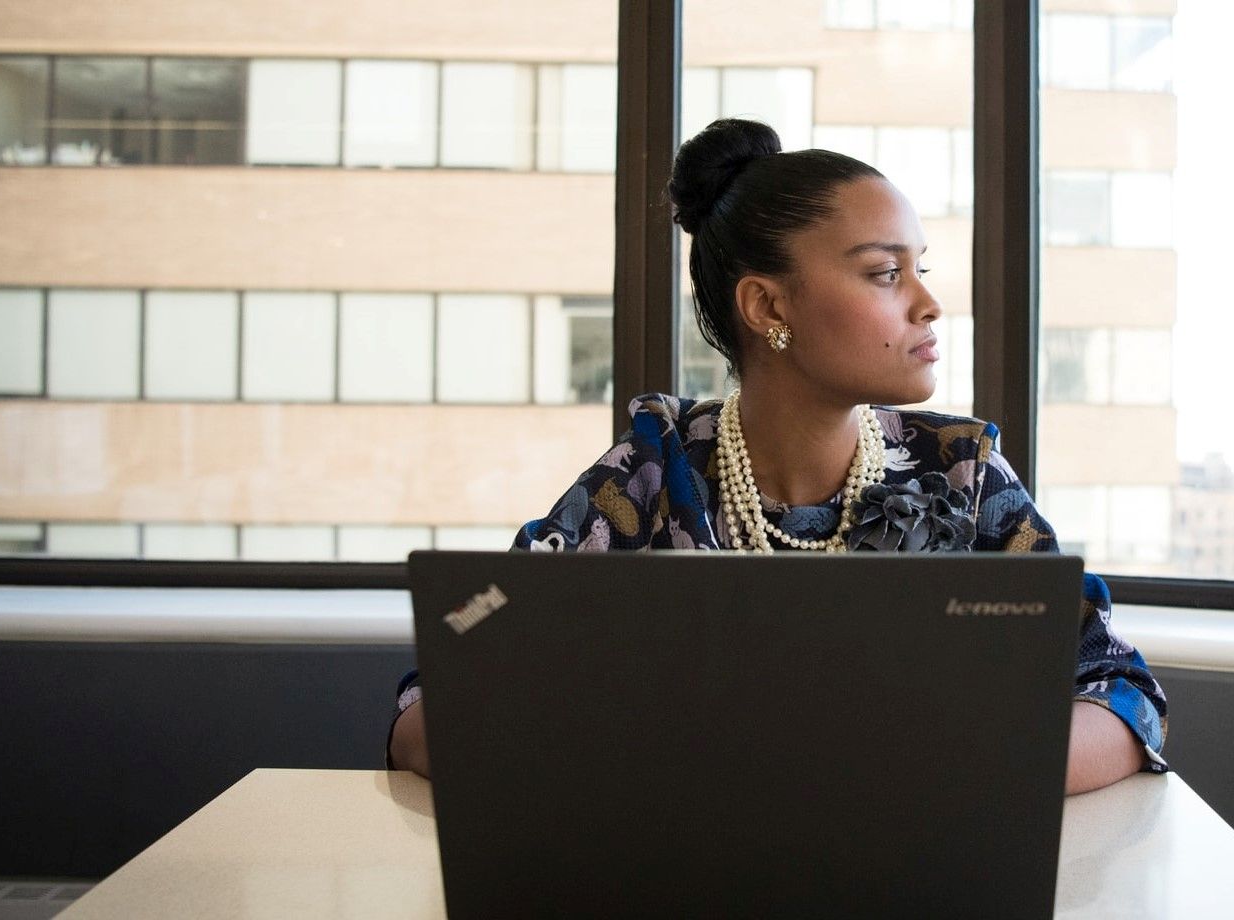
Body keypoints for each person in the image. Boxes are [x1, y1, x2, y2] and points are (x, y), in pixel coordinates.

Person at [389, 118, 1167, 794]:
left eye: (918, 269)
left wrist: (942, 771)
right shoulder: (653, 472)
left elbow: (1122, 693)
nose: (929, 304)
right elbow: (434, 701)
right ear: (767, 306)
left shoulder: (962, 473)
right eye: (885, 272)